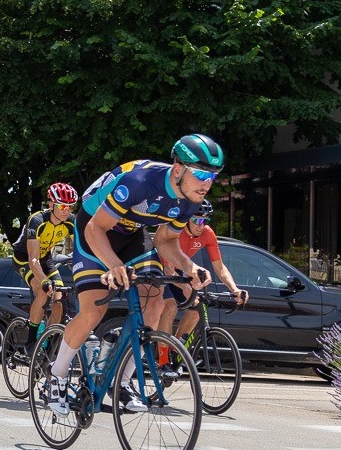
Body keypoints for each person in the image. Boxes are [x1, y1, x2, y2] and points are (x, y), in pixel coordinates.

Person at [43, 134, 222, 415]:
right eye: (200, 174)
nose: (206, 183)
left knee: (155, 300)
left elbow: (165, 240)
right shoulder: (139, 182)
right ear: (178, 170)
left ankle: (122, 383)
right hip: (95, 228)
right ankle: (58, 373)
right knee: (92, 310)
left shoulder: (190, 201)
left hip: (131, 234)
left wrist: (190, 267)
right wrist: (113, 265)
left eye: (213, 176)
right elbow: (95, 230)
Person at [157, 199, 247, 343]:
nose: (201, 226)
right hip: (159, 268)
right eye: (197, 221)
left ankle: (177, 352)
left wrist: (234, 288)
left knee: (196, 309)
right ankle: (163, 359)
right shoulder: (176, 231)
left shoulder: (207, 233)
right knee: (170, 307)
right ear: (187, 219)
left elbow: (220, 267)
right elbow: (168, 269)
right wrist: (184, 286)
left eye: (205, 221)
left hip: (178, 271)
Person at [10, 181, 78, 349]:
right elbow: (33, 259)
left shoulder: (70, 221)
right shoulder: (37, 220)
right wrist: (44, 281)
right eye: (62, 207)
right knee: (42, 290)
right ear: (51, 204)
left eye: (70, 207)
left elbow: (80, 249)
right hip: (24, 258)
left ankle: (48, 342)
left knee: (58, 300)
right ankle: (31, 340)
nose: (66, 211)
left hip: (46, 258)